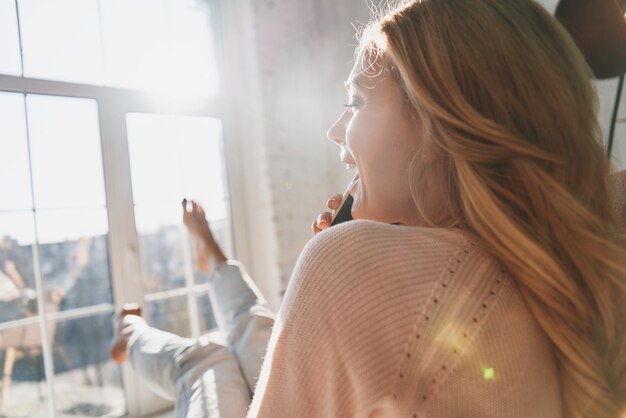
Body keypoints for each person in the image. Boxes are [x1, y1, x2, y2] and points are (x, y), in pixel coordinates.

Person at [110, 0, 626, 417]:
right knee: (255, 330)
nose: (336, 132)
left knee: (209, 360)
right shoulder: (575, 258)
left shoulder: (350, 263)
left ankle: (132, 333)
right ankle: (215, 265)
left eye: (355, 102)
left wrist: (337, 261)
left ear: (443, 118)